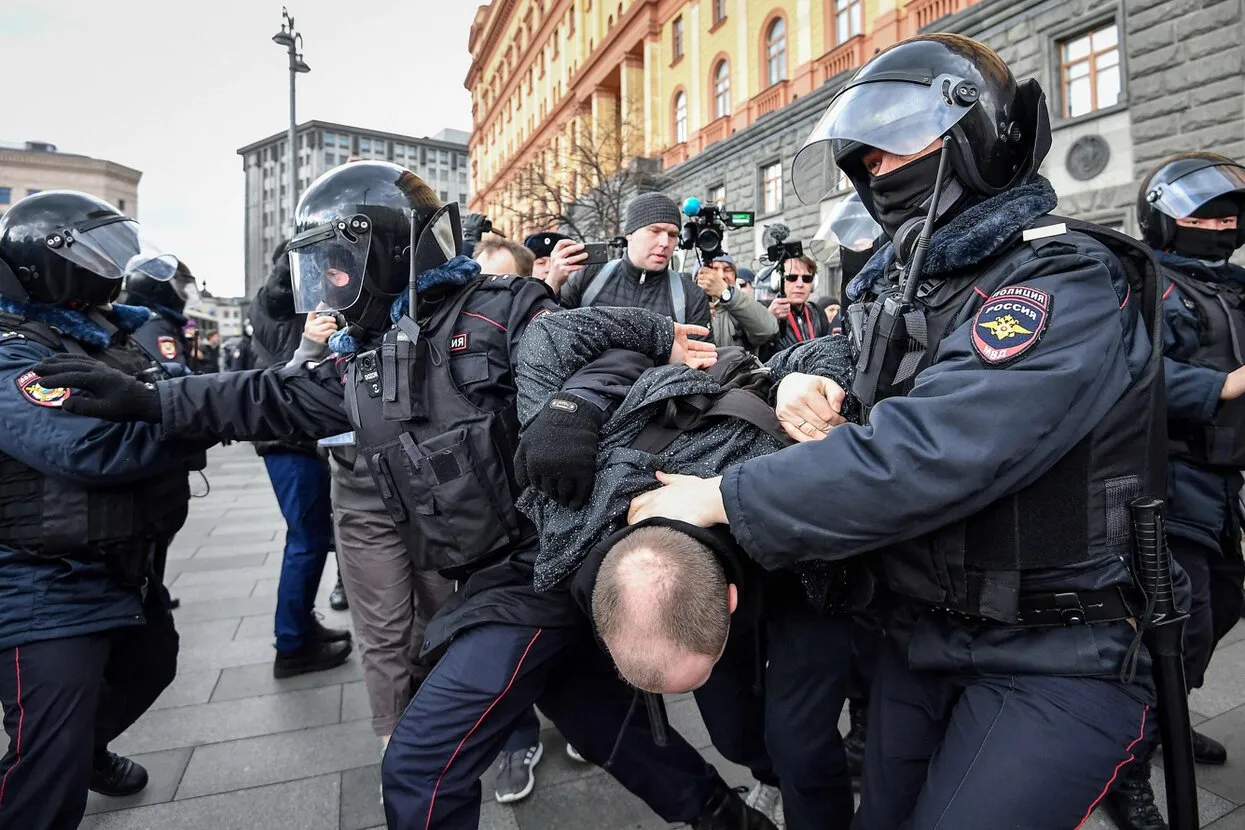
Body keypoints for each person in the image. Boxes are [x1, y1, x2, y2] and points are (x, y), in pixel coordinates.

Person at [34, 162, 774, 830]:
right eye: (316, 269)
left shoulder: (502, 308)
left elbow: (606, 348)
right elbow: (266, 397)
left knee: (420, 767)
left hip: (539, 573)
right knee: (605, 724)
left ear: (388, 249)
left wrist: (570, 408)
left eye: (337, 265)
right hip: (492, 578)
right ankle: (726, 820)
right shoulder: (368, 359)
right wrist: (143, 400)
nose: (326, 286)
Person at [626, 34, 1171, 829]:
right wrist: (807, 371)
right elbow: (853, 341)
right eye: (866, 158)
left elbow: (932, 450)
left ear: (979, 133)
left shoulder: (1060, 279)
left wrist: (722, 497)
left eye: (893, 145)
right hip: (920, 634)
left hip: (1056, 649)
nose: (876, 170)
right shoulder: (914, 280)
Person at [514, 308, 863, 829]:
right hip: (707, 576)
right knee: (731, 730)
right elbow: (546, 332)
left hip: (809, 579)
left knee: (801, 741)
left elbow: (833, 351)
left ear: (729, 602)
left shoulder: (774, 453)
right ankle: (769, 778)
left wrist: (809, 382)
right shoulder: (568, 515)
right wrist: (569, 406)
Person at [0, 191, 193, 829]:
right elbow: (89, 448)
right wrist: (191, 424)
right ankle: (56, 760)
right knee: (45, 786)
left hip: (121, 566)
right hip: (42, 581)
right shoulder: (11, 351)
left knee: (150, 667)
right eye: (96, 254)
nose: (111, 268)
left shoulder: (104, 332)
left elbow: (168, 389)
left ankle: (78, 748)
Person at [1107, 152, 1245, 830]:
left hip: (1224, 485)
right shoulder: (1145, 282)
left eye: (1230, 217)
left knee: (1221, 604)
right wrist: (1221, 386)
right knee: (1172, 626)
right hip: (1167, 480)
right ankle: (1124, 771)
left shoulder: (1231, 285)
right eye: (1207, 216)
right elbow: (1126, 373)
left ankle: (1167, 714)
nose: (1222, 227)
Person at [287, 312, 455, 754]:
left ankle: (425, 697)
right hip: (362, 499)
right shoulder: (328, 322)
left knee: (439, 612)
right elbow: (287, 399)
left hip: (428, 496)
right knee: (383, 628)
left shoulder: (426, 301)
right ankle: (394, 744)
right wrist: (309, 348)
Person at [247, 244, 352, 678]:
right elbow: (279, 285)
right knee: (306, 542)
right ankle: (291, 642)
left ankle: (301, 626)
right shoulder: (278, 302)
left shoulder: (293, 310)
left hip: (294, 437)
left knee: (310, 539)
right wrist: (310, 245)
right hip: (288, 438)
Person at [548, 193, 712, 329]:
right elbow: (547, 332)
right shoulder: (589, 276)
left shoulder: (691, 296)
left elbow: (703, 360)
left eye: (672, 235)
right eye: (655, 231)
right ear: (630, 234)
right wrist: (552, 284)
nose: (664, 242)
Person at [121, 260, 200, 370]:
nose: (186, 293)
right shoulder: (155, 325)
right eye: (180, 286)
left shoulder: (147, 321)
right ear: (159, 287)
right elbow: (173, 378)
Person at [695, 254, 777, 352]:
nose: (721, 276)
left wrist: (726, 293)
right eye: (713, 269)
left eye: (727, 269)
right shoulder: (687, 309)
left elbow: (769, 329)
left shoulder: (743, 307)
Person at [762, 256, 830, 358]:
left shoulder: (818, 312)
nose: (800, 284)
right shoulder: (763, 309)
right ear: (778, 280)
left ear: (813, 283)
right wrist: (768, 319)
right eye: (791, 277)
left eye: (807, 278)